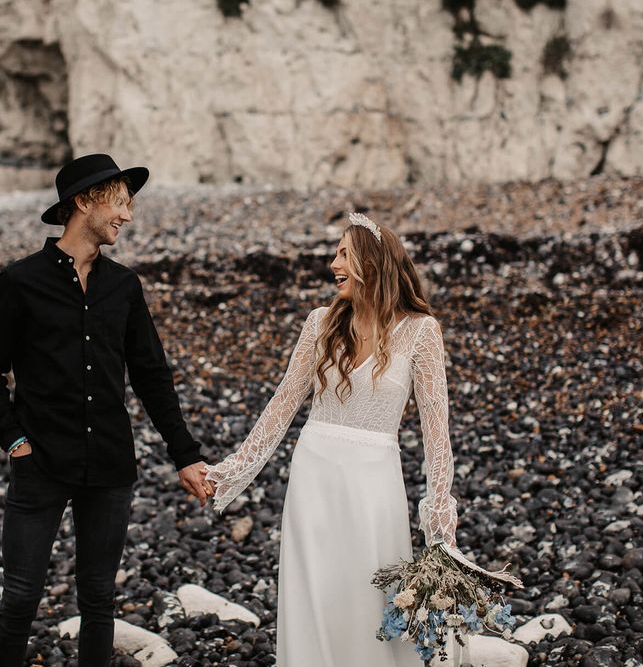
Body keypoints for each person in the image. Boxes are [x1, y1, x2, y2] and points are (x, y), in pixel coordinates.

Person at [205, 212, 458, 667]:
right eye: (336, 253)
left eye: (344, 253)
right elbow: (282, 406)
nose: (333, 263)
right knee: (314, 591)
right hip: (314, 475)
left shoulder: (421, 332)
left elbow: (436, 433)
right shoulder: (320, 322)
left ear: (373, 261)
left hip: (375, 482)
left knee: (371, 592)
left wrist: (439, 511)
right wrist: (230, 470)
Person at [0, 154, 212, 667]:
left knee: (98, 600)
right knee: (20, 598)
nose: (127, 215)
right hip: (40, 464)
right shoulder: (19, 282)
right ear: (84, 202)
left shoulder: (124, 286)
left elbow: (151, 376)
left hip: (112, 466)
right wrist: (15, 442)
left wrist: (185, 454)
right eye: (119, 202)